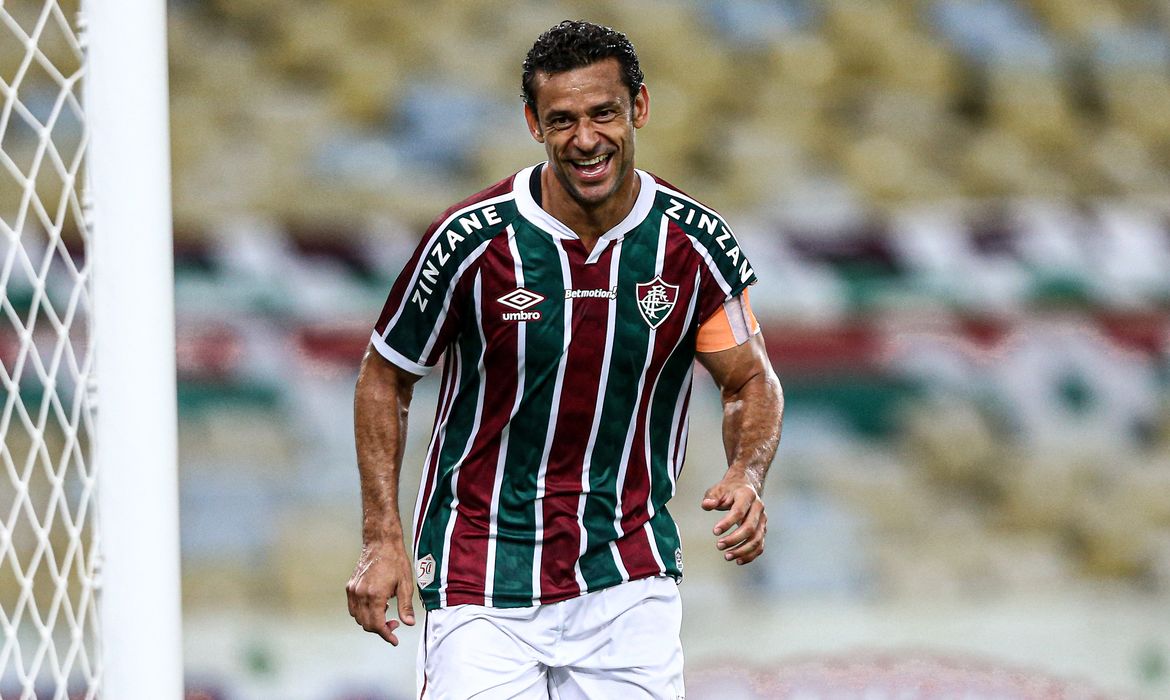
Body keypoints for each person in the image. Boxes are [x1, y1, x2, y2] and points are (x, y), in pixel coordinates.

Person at [347, 19, 783, 700]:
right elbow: (385, 373)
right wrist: (382, 535)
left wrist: (747, 471)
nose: (585, 139)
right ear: (533, 123)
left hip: (626, 573)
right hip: (480, 571)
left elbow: (750, 378)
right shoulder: (471, 241)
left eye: (603, 113)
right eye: (563, 119)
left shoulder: (693, 244)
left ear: (638, 107)